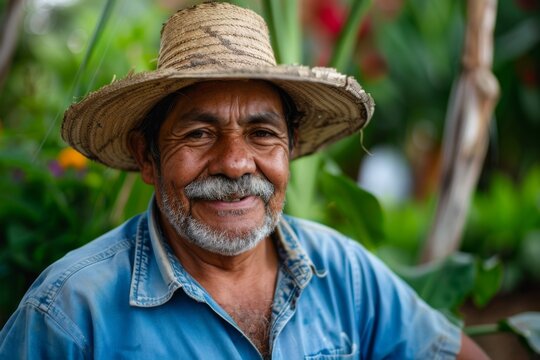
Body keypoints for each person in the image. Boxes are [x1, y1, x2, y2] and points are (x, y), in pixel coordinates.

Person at [0, 2, 488, 359]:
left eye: (261, 133)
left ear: (290, 150)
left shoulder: (344, 274)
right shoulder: (68, 314)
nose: (235, 163)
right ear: (147, 158)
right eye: (198, 133)